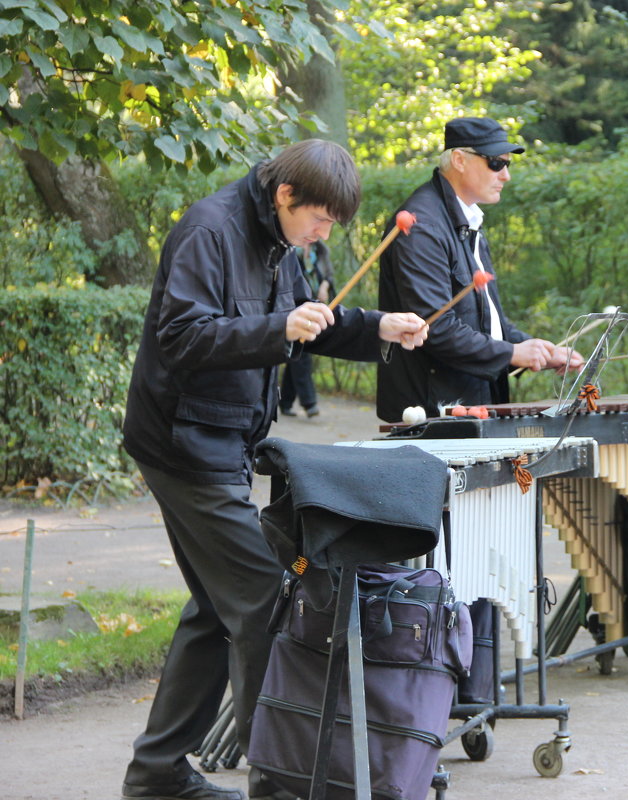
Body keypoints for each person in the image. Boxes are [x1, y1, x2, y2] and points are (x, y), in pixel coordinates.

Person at [120, 139, 428, 800]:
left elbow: (307, 324)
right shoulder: (211, 230)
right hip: (182, 441)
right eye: (319, 220)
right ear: (285, 196)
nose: (322, 234)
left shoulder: (274, 239)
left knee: (215, 607)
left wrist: (378, 328)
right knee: (265, 594)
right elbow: (180, 338)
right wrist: (276, 328)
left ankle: (157, 775)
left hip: (223, 440)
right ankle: (282, 780)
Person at [376, 116, 581, 422]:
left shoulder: (467, 221)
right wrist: (511, 354)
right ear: (459, 160)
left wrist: (534, 349)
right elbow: (433, 327)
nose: (506, 175)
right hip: (431, 411)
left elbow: (487, 324)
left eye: (507, 164)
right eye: (496, 164)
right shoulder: (423, 226)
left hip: (473, 402)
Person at [279, 240, 334, 417]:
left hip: (318, 307)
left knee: (296, 354)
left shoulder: (321, 250)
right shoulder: (292, 250)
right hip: (298, 308)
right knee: (302, 355)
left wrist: (325, 285)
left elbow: (328, 275)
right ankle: (309, 402)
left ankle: (284, 402)